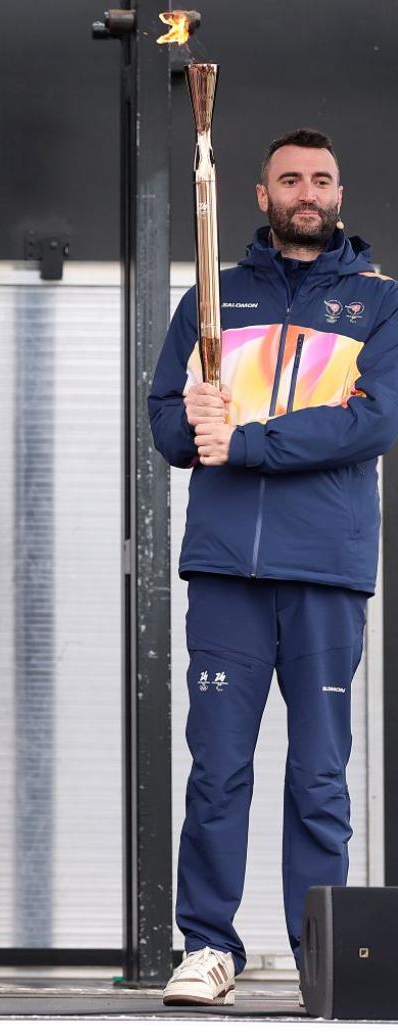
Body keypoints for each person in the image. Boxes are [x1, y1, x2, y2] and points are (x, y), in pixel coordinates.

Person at [148, 129, 398, 1007]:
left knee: (320, 773)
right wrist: (193, 413)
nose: (306, 191)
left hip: (326, 571)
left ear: (338, 193)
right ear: (258, 195)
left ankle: (315, 953)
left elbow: (371, 423)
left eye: (321, 179)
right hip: (227, 570)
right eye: (289, 178)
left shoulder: (380, 304)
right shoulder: (213, 300)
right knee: (218, 764)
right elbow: (169, 430)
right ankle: (210, 946)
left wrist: (246, 440)